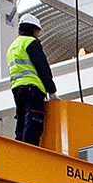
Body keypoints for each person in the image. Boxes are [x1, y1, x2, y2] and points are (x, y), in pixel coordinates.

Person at [7, 13, 56, 146]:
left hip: (17, 89)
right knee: (34, 120)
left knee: (22, 121)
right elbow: (42, 67)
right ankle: (29, 150)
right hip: (32, 88)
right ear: (34, 29)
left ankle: (18, 149)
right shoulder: (31, 43)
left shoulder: (13, 47)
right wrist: (51, 90)